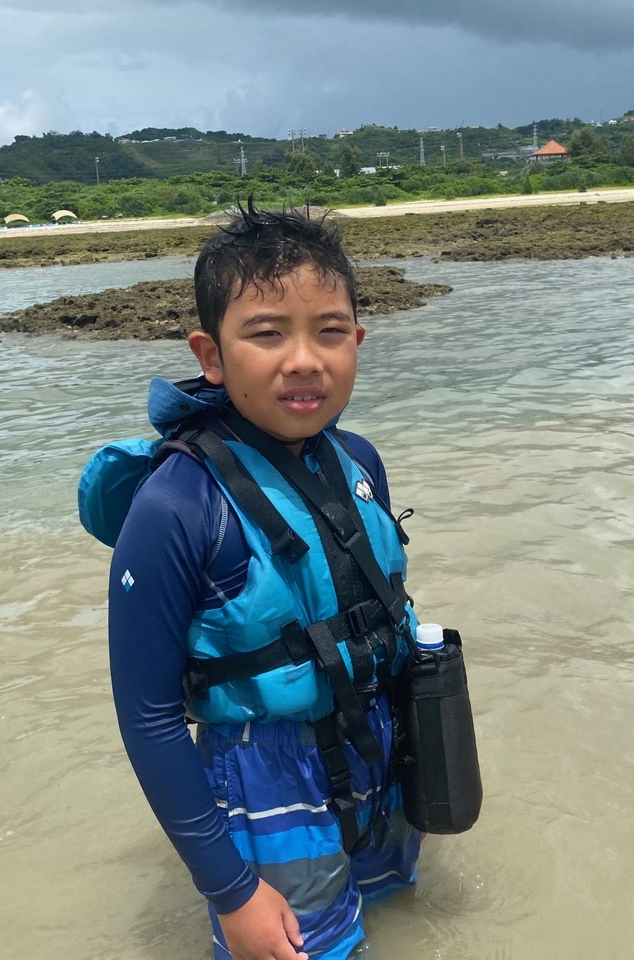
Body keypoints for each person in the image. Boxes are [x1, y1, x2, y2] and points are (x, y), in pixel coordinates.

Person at [105, 202, 423, 960]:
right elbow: (147, 718)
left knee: (398, 917)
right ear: (211, 356)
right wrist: (232, 890)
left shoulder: (359, 463)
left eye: (330, 331)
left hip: (376, 740)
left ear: (358, 342)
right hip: (264, 774)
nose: (305, 359)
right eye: (267, 333)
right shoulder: (178, 507)